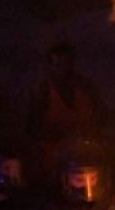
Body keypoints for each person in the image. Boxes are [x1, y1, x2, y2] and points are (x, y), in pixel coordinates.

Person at [25, 41, 102, 181]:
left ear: (73, 64)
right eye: (58, 65)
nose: (63, 70)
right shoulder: (43, 93)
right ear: (50, 67)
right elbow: (32, 130)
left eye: (67, 65)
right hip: (54, 167)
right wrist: (62, 134)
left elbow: (100, 119)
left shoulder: (86, 89)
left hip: (87, 164)